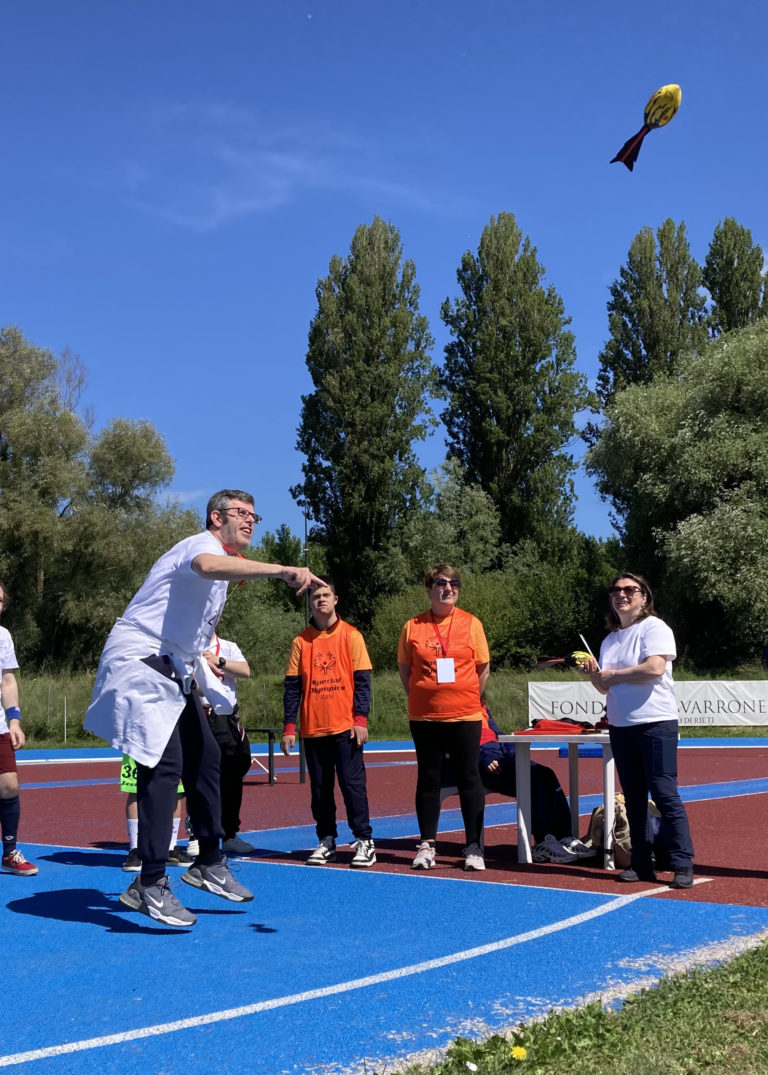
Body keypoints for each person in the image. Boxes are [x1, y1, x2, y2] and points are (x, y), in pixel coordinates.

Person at [85, 489, 323, 927]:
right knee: (164, 767)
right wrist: (281, 570)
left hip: (173, 664)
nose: (250, 521)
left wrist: (203, 686)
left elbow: (193, 634)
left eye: (254, 516)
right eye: (241, 513)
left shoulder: (221, 572)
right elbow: (207, 566)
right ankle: (149, 882)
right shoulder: (200, 546)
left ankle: (208, 861)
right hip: (141, 657)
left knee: (206, 755)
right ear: (216, 517)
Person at [584, 573, 695, 889]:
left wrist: (614, 674)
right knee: (633, 796)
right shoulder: (609, 640)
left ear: (644, 597)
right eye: (615, 591)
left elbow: (654, 668)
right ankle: (642, 863)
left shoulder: (654, 628)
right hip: (621, 726)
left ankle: (682, 862)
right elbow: (604, 687)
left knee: (664, 792)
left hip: (656, 722)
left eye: (630, 590)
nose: (621, 594)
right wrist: (594, 674)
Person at [398, 564, 489, 872]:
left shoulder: (472, 623)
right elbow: (405, 670)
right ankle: (427, 844)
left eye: (454, 583)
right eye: (441, 583)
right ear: (429, 589)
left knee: (468, 777)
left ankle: (474, 845)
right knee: (429, 778)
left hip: (465, 715)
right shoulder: (413, 626)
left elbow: (483, 668)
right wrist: (422, 695)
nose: (448, 588)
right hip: (425, 717)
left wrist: (467, 696)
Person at [281, 581, 375, 868]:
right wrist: (289, 727)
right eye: (316, 596)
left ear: (336, 599)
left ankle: (364, 840)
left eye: (325, 595)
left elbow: (362, 682)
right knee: (320, 790)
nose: (321, 600)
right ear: (310, 603)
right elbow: (292, 687)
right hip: (314, 728)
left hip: (346, 727)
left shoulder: (352, 636)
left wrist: (360, 719)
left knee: (352, 786)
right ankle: (326, 840)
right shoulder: (301, 642)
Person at [442, 704, 580, 865]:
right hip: (477, 763)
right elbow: (453, 742)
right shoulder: (452, 707)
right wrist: (483, 757)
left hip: (498, 757)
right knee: (533, 778)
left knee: (546, 774)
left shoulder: (483, 708)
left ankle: (564, 835)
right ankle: (543, 840)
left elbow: (498, 735)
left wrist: (514, 753)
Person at [199, 632, 255, 856]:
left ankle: (230, 833)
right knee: (201, 777)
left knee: (233, 774)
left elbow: (246, 671)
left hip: (226, 717)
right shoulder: (189, 645)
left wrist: (219, 661)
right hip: (201, 715)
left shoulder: (228, 646)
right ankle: (197, 834)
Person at [0, 581, 38, 876]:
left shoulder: (3, 636)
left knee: (10, 785)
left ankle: (10, 852)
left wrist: (14, 720)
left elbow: (8, 680)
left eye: (1, 601)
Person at [120, 756, 192, 872]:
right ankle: (135, 850)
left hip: (170, 746)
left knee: (174, 789)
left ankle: (170, 848)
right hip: (139, 747)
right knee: (135, 788)